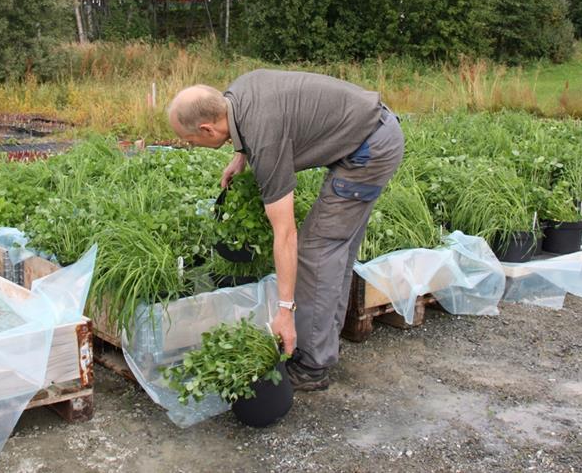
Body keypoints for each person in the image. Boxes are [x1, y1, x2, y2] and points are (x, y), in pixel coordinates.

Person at [167, 69, 404, 391]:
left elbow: (285, 233)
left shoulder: (266, 142)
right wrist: (240, 155)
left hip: (368, 151)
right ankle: (325, 339)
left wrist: (284, 311)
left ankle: (312, 364)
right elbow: (262, 118)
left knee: (317, 251)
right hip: (369, 131)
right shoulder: (236, 93)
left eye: (190, 140)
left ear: (208, 128)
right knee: (336, 249)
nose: (190, 146)